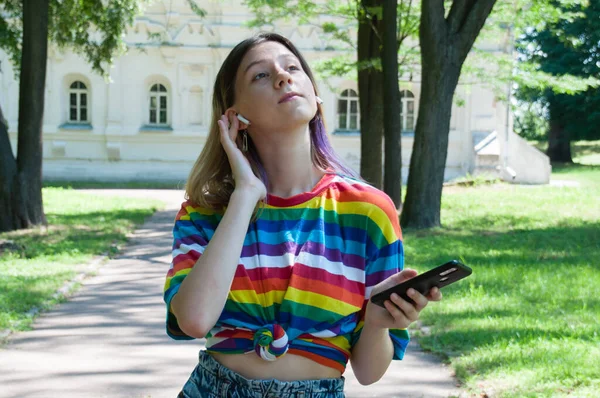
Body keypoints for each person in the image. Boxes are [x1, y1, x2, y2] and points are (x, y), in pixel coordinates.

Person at [163, 32, 442, 398]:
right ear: (235, 117)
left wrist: (376, 325)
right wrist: (245, 195)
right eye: (260, 75)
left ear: (315, 94)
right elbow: (195, 319)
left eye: (292, 67)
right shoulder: (207, 211)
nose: (283, 77)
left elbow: (370, 372)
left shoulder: (368, 211)